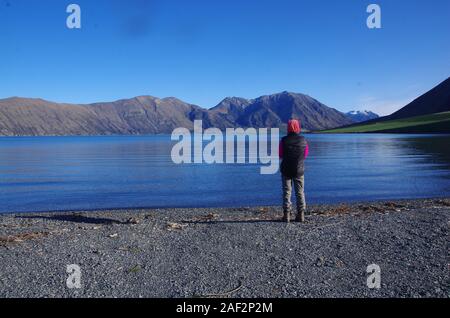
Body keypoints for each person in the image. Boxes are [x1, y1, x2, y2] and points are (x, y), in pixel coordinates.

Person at [279, 119, 309, 223]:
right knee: (300, 192)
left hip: (286, 169)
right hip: (299, 170)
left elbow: (280, 155)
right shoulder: (303, 140)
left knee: (287, 192)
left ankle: (286, 215)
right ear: (298, 127)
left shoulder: (283, 140)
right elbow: (305, 155)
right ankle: (301, 215)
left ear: (288, 127)